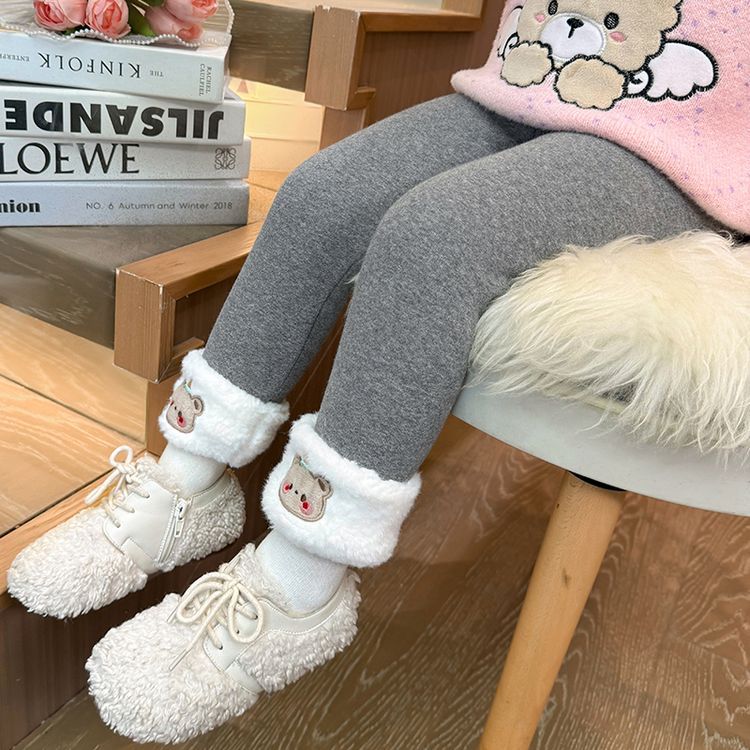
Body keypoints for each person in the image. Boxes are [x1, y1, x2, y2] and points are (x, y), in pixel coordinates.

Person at [8, 0, 747, 742]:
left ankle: (303, 580)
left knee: (435, 240)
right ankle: (186, 478)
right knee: (320, 194)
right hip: (524, 84)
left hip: (684, 142)